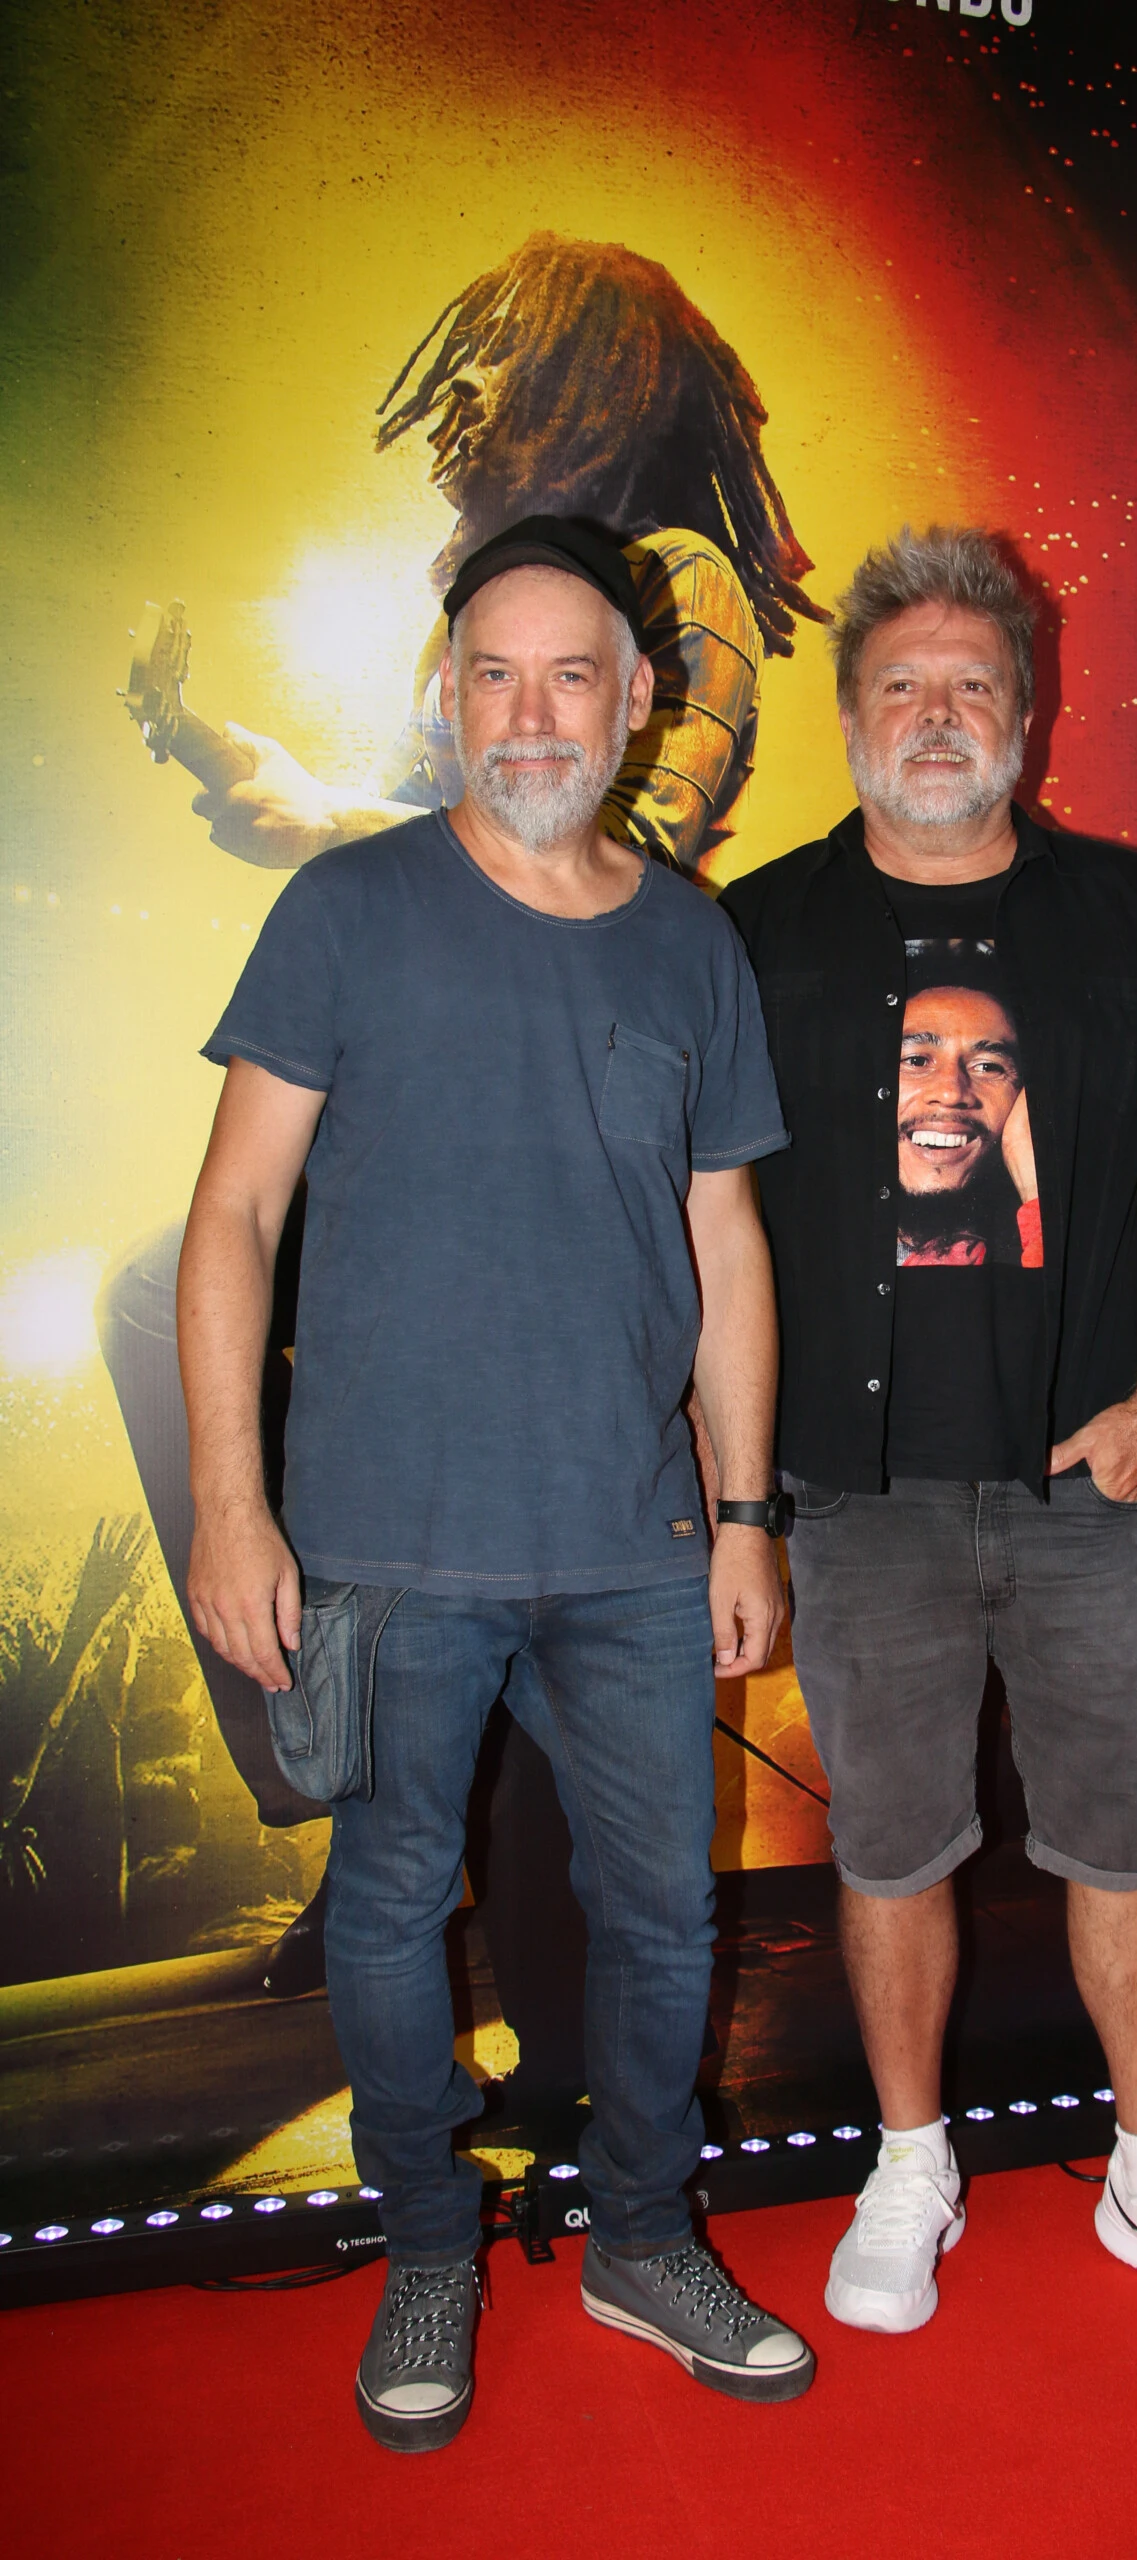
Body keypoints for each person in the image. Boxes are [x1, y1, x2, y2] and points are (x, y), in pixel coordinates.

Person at [105, 235, 827, 2005]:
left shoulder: (675, 585)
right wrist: (233, 764)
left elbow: (598, 850)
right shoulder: (494, 623)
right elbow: (423, 844)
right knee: (159, 1297)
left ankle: (447, 1857)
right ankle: (346, 1772)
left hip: (590, 1133)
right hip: (442, 1116)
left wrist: (322, 818)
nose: (476, 389)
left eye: (510, 351)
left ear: (596, 369)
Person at [178, 517, 814, 2449]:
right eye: (494, 674)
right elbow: (233, 1217)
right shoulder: (349, 910)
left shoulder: (691, 940)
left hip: (634, 1543)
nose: (531, 713)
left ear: (637, 704)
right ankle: (430, 2244)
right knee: (389, 1909)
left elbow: (724, 1243)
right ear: (447, 696)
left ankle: (642, 2236)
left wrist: (745, 1511)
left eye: (571, 675)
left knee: (665, 1917)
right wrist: (230, 1503)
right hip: (386, 1548)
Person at [719, 525, 1137, 2350]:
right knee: (889, 1850)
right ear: (848, 718)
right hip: (859, 1496)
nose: (936, 714)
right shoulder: (753, 931)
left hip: (1084, 1482)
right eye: (900, 684)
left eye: (971, 683)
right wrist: (736, 1495)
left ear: (1027, 716)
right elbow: (705, 1221)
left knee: (1124, 1843)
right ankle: (911, 2165)